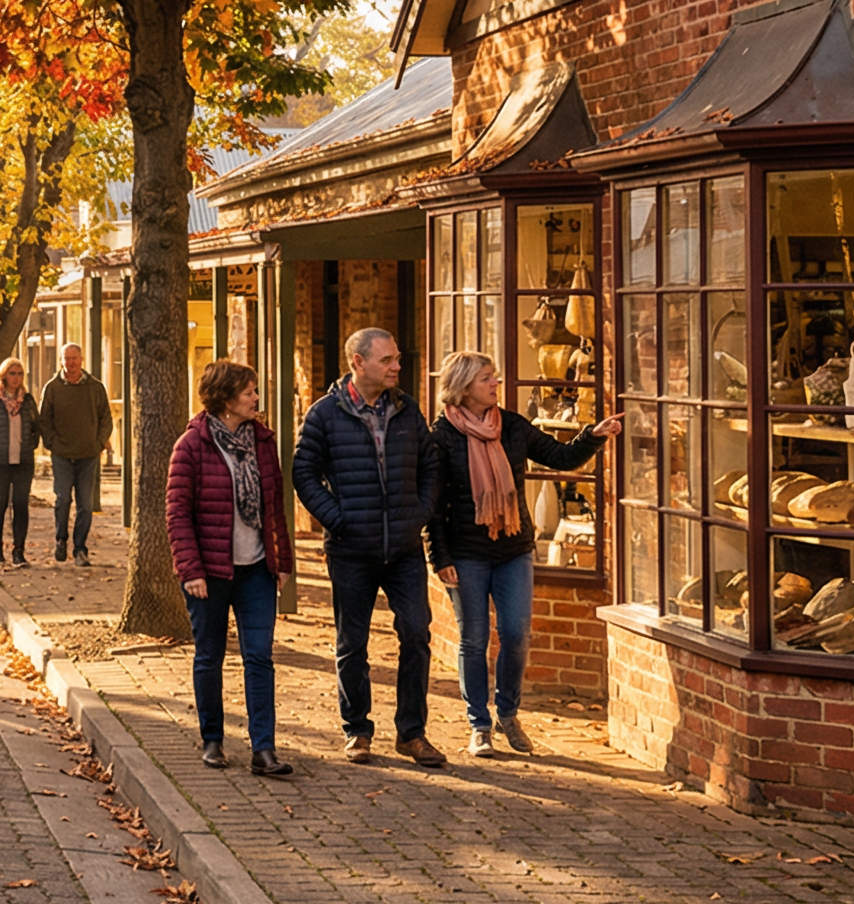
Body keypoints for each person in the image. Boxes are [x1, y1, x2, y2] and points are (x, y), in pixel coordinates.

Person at [429, 350, 621, 756]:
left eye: (494, 376)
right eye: (486, 378)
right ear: (463, 387)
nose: (495, 383)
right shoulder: (442, 436)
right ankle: (479, 725)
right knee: (474, 639)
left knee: (516, 634)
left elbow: (560, 456)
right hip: (465, 552)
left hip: (514, 548)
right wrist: (439, 557)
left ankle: (509, 714)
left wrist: (594, 435)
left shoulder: (512, 426)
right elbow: (434, 504)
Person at [293, 327, 448, 767]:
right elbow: (304, 473)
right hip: (350, 549)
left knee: (416, 634)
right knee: (352, 643)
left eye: (397, 358)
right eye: (388, 360)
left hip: (403, 548)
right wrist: (339, 519)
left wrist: (418, 511)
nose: (397, 366)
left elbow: (430, 464)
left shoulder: (407, 409)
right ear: (358, 363)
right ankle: (357, 730)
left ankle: (412, 734)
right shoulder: (324, 415)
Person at [168, 359, 296, 776]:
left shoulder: (262, 441)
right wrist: (191, 571)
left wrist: (282, 560)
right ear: (225, 399)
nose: (256, 399)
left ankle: (264, 749)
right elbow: (177, 513)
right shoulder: (192, 445)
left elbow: (275, 505)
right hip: (209, 571)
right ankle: (213, 739)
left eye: (255, 391)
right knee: (210, 656)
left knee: (259, 656)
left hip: (256, 568)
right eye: (249, 392)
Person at [36, 344, 114, 565]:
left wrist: (97, 443)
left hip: (88, 455)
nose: (71, 362)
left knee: (86, 505)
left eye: (74, 358)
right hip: (61, 454)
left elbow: (105, 420)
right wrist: (52, 443)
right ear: (61, 360)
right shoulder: (52, 388)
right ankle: (61, 539)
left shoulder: (95, 387)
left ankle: (80, 548)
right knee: (62, 499)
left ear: (82, 359)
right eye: (67, 358)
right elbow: (45, 420)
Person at [0, 358, 39, 567]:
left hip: (23, 462)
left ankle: (19, 550)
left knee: (21, 505)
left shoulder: (28, 400)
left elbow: (36, 426)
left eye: (20, 374)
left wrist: (31, 444)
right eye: (12, 373)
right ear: (4, 375)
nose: (16, 378)